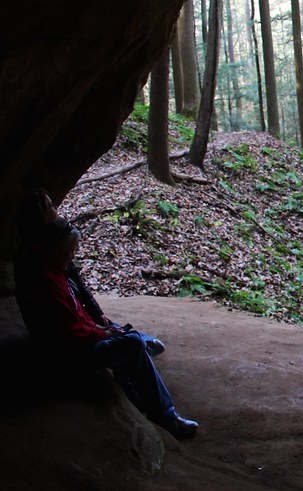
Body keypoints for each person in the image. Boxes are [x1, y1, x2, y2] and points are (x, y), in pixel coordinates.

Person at [14, 216, 198, 438]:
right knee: (132, 343)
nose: (73, 255)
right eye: (71, 249)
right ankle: (167, 417)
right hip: (71, 353)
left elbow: (76, 314)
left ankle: (136, 386)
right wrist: (102, 333)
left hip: (78, 340)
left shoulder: (55, 270)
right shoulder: (46, 281)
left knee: (125, 337)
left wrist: (100, 324)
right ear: (56, 249)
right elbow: (68, 331)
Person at [15, 188, 165, 356]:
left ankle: (131, 337)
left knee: (98, 319)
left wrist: (97, 313)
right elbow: (64, 310)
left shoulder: (48, 241)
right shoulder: (40, 256)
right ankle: (135, 340)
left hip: (69, 321)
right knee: (99, 325)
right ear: (40, 215)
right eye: (50, 205)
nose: (55, 209)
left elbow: (76, 281)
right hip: (61, 336)